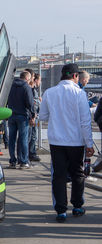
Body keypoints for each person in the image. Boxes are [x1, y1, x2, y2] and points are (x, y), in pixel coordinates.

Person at [39, 63, 94, 223]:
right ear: (76, 76)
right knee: (77, 173)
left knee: (59, 176)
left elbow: (42, 116)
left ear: (62, 75)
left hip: (56, 141)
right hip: (76, 141)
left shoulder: (49, 93)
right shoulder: (79, 94)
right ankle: (77, 206)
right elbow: (85, 122)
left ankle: (61, 210)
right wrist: (89, 144)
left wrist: (57, 116)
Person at [7, 71, 35, 169]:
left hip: (11, 115)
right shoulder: (26, 87)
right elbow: (30, 103)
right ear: (27, 78)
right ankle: (24, 161)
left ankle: (12, 161)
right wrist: (33, 115)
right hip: (23, 116)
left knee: (12, 139)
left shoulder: (10, 86)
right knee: (23, 139)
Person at [28, 73, 42, 162]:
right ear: (36, 80)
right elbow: (32, 103)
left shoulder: (32, 90)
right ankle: (31, 153)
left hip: (33, 115)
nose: (40, 82)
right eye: (40, 80)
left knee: (32, 136)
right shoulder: (32, 90)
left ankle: (30, 153)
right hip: (33, 115)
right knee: (32, 136)